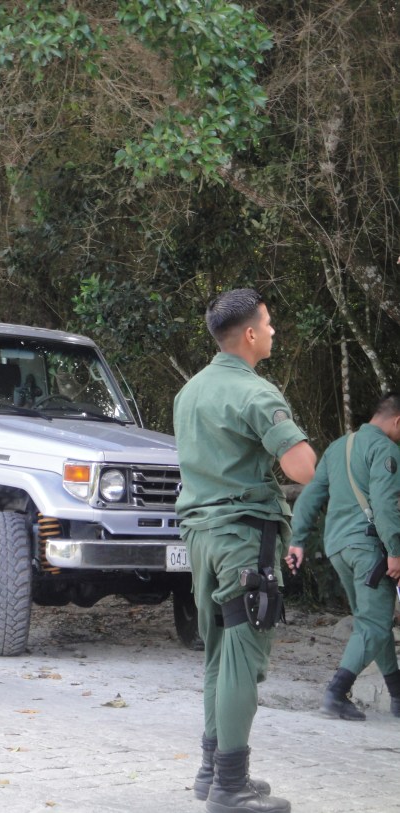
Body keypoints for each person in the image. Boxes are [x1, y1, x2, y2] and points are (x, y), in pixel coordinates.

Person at [174, 288, 316, 813]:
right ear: (250, 334)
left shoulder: (189, 392)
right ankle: (230, 788)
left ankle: (212, 772)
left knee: (219, 652)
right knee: (243, 655)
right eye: (269, 323)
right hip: (242, 539)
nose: (274, 332)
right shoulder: (255, 393)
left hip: (201, 537)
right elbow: (302, 467)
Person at [287, 392, 400, 722]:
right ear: (397, 421)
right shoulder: (385, 450)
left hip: (338, 548)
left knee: (370, 619)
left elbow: (310, 496)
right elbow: (384, 505)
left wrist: (297, 540)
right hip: (369, 549)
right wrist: (396, 551)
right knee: (375, 623)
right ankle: (336, 693)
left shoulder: (338, 448)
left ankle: (397, 695)